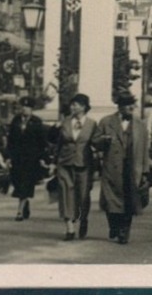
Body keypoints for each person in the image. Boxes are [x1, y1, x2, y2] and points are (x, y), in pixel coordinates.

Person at [90, 90, 152, 244]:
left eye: (132, 104)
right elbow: (95, 141)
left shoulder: (140, 125)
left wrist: (145, 171)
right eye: (127, 105)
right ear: (120, 107)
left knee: (129, 200)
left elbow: (145, 149)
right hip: (112, 167)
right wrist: (103, 140)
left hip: (132, 168)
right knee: (111, 200)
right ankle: (114, 225)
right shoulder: (106, 121)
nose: (131, 107)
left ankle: (124, 231)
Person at [50, 93, 98, 241]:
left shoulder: (92, 124)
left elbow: (95, 144)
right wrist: (53, 162)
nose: (72, 107)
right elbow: (58, 143)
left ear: (83, 107)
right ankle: (69, 227)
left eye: (75, 104)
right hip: (65, 163)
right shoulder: (64, 122)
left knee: (83, 195)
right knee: (65, 193)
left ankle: (83, 219)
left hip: (84, 164)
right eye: (71, 104)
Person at [5, 96, 49, 221]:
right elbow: (11, 140)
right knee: (17, 183)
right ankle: (25, 203)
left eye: (27, 107)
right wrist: (8, 157)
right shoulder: (16, 121)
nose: (24, 109)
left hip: (31, 159)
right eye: (23, 107)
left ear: (31, 109)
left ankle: (19, 210)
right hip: (17, 158)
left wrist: (42, 158)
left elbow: (42, 142)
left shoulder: (36, 122)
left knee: (25, 183)